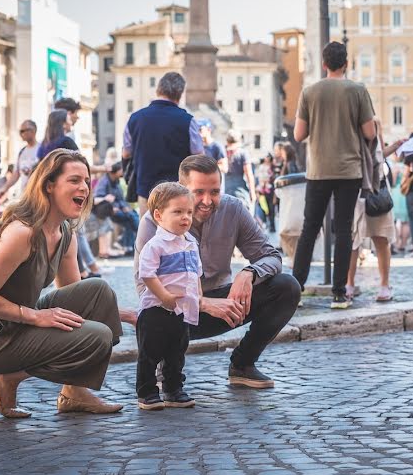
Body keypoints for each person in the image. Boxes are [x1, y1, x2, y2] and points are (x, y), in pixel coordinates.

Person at [0, 149, 133, 418]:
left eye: (87, 181)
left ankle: (74, 392)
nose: (84, 188)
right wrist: (34, 316)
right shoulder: (23, 233)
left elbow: (80, 302)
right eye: (75, 180)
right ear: (49, 185)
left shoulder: (65, 232)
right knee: (97, 336)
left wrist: (122, 314)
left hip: (19, 322)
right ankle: (6, 378)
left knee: (99, 293)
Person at [134, 154, 300, 388]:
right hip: (172, 311)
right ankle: (164, 368)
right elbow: (145, 288)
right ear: (181, 189)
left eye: (214, 191)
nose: (207, 200)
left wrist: (249, 273)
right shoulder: (154, 220)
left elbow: (271, 256)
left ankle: (243, 365)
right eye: (198, 192)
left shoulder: (233, 209)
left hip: (224, 305)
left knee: (287, 287)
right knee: (155, 315)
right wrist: (200, 303)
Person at [292, 41, 376, 308]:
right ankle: (339, 293)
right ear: (346, 64)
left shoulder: (309, 91)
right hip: (348, 169)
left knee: (309, 229)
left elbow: (298, 134)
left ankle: (296, 290)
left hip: (318, 169)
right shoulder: (358, 90)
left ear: (324, 64)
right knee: (343, 230)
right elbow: (370, 133)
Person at [135, 183, 202, 410]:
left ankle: (173, 389)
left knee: (176, 352)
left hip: (181, 310)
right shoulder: (155, 245)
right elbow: (147, 274)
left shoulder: (191, 243)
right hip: (156, 310)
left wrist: (198, 297)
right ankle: (147, 392)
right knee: (150, 352)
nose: (185, 218)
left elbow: (196, 274)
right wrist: (163, 296)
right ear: (158, 215)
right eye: (178, 212)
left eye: (189, 212)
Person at [123, 72, 204, 216]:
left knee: (148, 235)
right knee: (179, 236)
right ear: (179, 94)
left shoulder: (135, 119)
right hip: (179, 192)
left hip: (146, 191)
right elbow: (199, 158)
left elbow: (126, 153)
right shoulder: (188, 121)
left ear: (158, 90)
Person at [345, 119, 403, 302]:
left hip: (372, 192)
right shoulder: (355, 131)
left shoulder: (373, 125)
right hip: (360, 192)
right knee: (356, 242)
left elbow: (378, 156)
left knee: (378, 240)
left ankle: (380, 284)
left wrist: (394, 146)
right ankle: (351, 284)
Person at [94, 162, 139, 255]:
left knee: (132, 215)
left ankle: (126, 246)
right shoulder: (104, 181)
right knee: (131, 217)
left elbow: (120, 199)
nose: (123, 171)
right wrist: (113, 207)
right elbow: (98, 198)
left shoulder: (117, 182)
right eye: (121, 169)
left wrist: (125, 207)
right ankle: (134, 240)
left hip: (119, 209)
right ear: (115, 171)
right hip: (108, 210)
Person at [0, 120, 41, 202]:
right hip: (26, 196)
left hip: (39, 196)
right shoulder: (22, 152)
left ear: (33, 130)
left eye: (23, 131)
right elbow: (16, 174)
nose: (21, 134)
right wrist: (4, 188)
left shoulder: (42, 149)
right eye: (20, 131)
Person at [224, 130, 256, 210]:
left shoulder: (223, 152)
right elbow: (249, 173)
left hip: (225, 188)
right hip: (239, 189)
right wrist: (252, 192)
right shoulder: (243, 153)